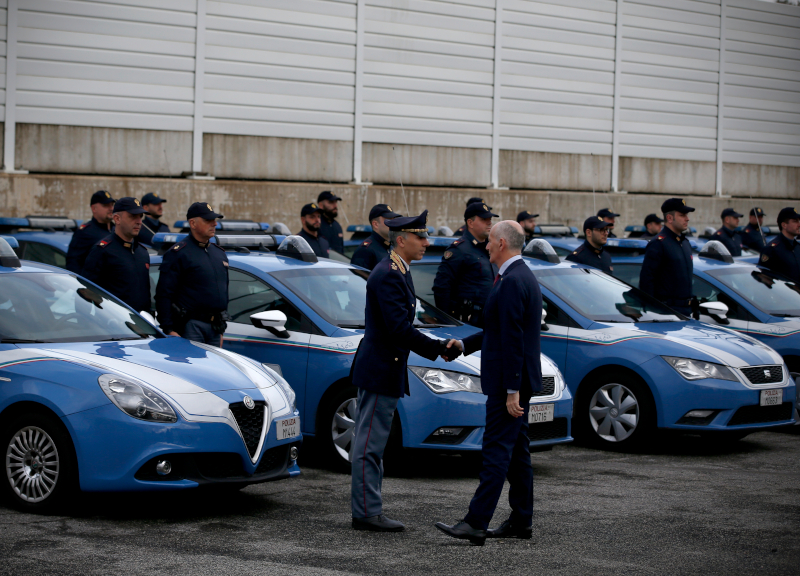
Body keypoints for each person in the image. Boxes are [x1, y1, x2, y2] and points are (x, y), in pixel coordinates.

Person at [434, 220, 542, 546]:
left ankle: (476, 522)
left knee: (495, 451)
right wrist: (464, 344)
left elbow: (513, 339)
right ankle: (521, 520)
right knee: (518, 454)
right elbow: (499, 331)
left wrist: (511, 391)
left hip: (509, 384)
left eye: (491, 241)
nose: (486, 246)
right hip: (515, 380)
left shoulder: (511, 280)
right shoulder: (517, 276)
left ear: (502, 243)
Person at [350, 210, 455, 533]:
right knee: (368, 444)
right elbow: (398, 329)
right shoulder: (389, 274)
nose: (426, 242)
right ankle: (367, 512)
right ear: (402, 240)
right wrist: (438, 348)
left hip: (386, 367)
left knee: (374, 443)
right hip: (380, 368)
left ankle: (369, 508)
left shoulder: (400, 270)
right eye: (421, 237)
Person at [155, 202, 229, 346]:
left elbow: (224, 292)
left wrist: (221, 329)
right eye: (208, 220)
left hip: (215, 328)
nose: (214, 224)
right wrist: (169, 329)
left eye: (214, 220)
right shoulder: (179, 253)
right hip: (191, 326)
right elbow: (164, 294)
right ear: (193, 223)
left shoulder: (218, 253)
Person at [433, 202, 498, 327]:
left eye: (490, 219)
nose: (489, 222)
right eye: (484, 219)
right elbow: (442, 288)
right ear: (470, 222)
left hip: (489, 320)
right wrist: (448, 322)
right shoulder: (459, 250)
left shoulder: (489, 248)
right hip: (467, 322)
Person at [83, 197, 151, 313]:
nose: (139, 221)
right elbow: (86, 293)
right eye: (133, 216)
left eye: (140, 217)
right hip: (113, 324)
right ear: (117, 219)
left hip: (142, 325)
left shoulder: (142, 252)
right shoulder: (103, 251)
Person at [639, 198, 695, 315]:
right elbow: (647, 282)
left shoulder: (684, 243)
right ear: (669, 218)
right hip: (667, 312)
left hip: (686, 311)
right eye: (682, 215)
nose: (687, 218)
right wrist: (652, 312)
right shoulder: (659, 244)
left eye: (687, 215)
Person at [66, 190, 116, 274]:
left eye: (112, 205)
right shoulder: (85, 232)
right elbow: (73, 263)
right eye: (106, 205)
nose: (111, 208)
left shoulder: (116, 229)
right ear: (94, 208)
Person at [350, 204, 401, 271]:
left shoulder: (390, 246)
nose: (393, 223)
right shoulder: (366, 250)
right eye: (389, 220)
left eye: (393, 220)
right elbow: (359, 278)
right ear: (375, 224)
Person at [759, 207, 800, 284]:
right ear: (784, 225)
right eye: (795, 221)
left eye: (799, 221)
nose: (799, 224)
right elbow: (766, 281)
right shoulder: (771, 249)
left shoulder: (798, 247)